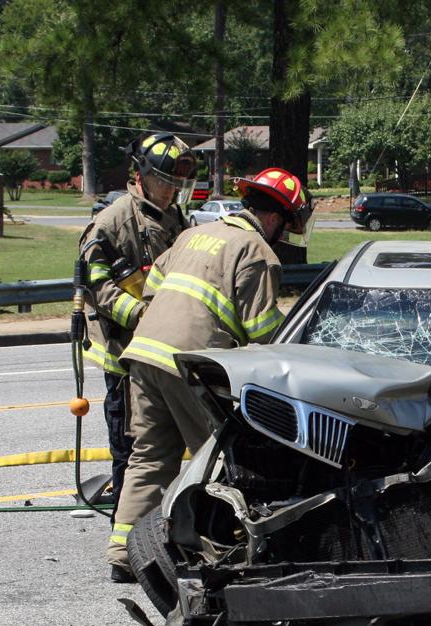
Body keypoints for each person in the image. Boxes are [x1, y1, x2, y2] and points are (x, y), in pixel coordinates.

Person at [104, 168, 313, 583]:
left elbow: (151, 289)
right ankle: (213, 551)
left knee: (149, 457)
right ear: (274, 219)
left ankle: (123, 554)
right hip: (191, 365)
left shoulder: (194, 233)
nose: (282, 236)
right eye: (285, 226)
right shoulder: (256, 252)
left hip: (144, 355)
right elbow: (263, 335)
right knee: (216, 461)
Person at [79, 133, 194, 522]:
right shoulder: (112, 222)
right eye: (165, 182)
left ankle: (162, 523)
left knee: (166, 445)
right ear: (141, 175)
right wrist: (144, 317)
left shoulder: (177, 218)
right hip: (124, 356)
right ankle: (125, 530)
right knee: (131, 449)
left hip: (164, 354)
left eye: (178, 186)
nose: (171, 192)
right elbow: (95, 286)